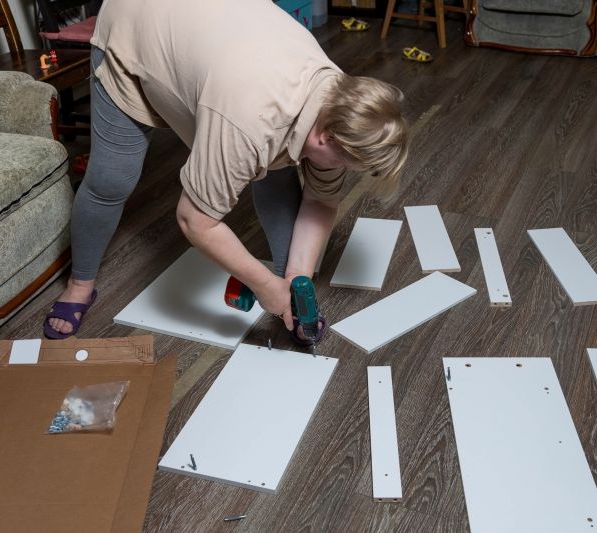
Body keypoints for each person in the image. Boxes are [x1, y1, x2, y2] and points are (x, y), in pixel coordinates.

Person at [44, 0, 409, 340]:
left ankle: (290, 302)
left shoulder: (345, 106)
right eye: (346, 164)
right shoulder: (249, 123)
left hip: (218, 48)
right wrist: (265, 286)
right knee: (111, 179)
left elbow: (320, 201)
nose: (343, 172)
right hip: (135, 24)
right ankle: (79, 285)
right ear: (326, 138)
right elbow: (194, 221)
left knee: (278, 173)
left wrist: (294, 284)